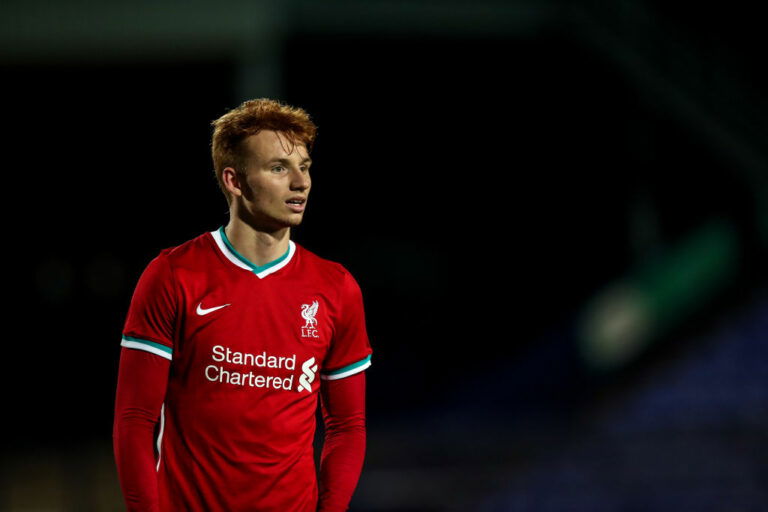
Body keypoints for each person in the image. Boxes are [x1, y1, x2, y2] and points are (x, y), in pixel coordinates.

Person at [113, 98, 372, 511]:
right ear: (234, 180)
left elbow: (347, 426)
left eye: (304, 166)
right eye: (278, 168)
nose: (300, 183)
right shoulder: (173, 274)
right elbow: (134, 420)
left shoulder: (337, 288)